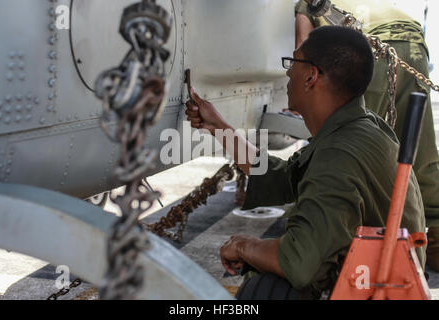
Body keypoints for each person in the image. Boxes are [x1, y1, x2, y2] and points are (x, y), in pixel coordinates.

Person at [185, 26, 426, 300]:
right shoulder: (361, 129)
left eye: (294, 62)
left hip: (375, 290)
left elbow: (299, 264)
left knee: (263, 291)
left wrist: (244, 247)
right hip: (380, 283)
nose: (288, 72)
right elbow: (284, 176)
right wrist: (218, 126)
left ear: (311, 76)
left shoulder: (338, 153)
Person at [295, 0, 439, 273]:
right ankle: (436, 244)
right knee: (421, 151)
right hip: (412, 42)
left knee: (354, 148)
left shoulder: (306, 4)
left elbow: (304, 55)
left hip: (370, 46)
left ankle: (333, 238)